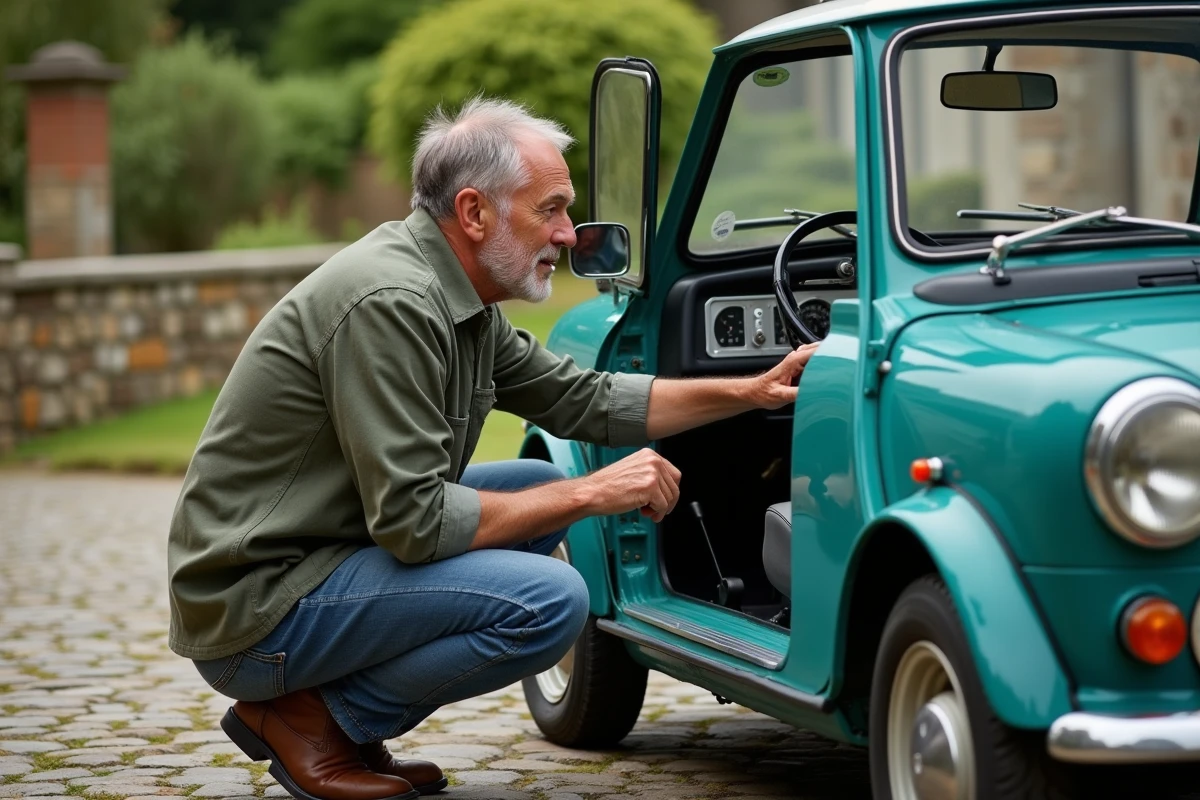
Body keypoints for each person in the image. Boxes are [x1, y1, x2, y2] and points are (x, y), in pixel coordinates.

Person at [166, 97, 817, 800]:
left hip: (325, 556)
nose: (568, 234)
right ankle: (315, 722)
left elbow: (587, 399)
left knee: (532, 482)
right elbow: (414, 523)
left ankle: (332, 722)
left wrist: (752, 390)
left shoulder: (459, 299)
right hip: (259, 610)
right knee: (552, 600)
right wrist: (591, 492)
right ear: (474, 212)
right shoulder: (393, 302)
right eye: (551, 209)